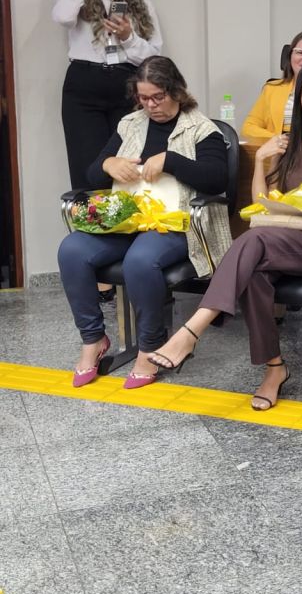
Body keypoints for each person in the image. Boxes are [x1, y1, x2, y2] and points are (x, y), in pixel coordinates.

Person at [148, 59, 302, 410]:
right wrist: (260, 163)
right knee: (254, 272)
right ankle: (274, 368)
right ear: (298, 100)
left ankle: (191, 331)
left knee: (252, 241)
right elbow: (263, 205)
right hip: (286, 239)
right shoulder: (288, 143)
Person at [58, 56, 230, 390]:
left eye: (157, 97)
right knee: (72, 250)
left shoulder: (201, 129)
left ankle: (150, 346)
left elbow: (216, 178)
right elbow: (92, 174)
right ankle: (93, 339)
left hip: (175, 223)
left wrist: (171, 160)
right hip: (127, 221)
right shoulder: (130, 124)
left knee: (140, 259)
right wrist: (108, 164)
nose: (150, 106)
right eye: (143, 98)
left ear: (176, 91)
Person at [53, 0, 163, 189]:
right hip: (84, 85)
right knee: (86, 165)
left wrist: (128, 37)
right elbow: (62, 16)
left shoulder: (140, 3)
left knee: (130, 162)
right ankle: (89, 216)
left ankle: (129, 215)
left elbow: (154, 56)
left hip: (126, 83)